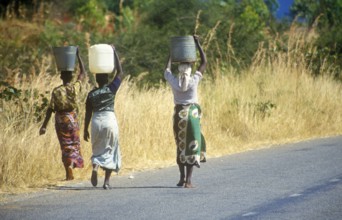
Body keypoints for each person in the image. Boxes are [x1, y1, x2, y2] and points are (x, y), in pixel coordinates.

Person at [164, 35, 207, 188]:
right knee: (192, 146)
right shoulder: (194, 81)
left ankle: (181, 178)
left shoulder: (174, 81)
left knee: (180, 146)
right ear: (189, 70)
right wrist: (198, 44)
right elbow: (204, 63)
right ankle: (189, 181)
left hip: (179, 115)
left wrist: (172, 52)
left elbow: (166, 69)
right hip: (192, 115)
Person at [39, 47, 86, 180]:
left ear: (60, 76)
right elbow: (83, 73)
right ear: (71, 76)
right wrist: (78, 55)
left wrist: (44, 126)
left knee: (65, 145)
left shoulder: (56, 91)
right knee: (74, 143)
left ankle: (68, 171)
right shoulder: (74, 88)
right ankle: (73, 164)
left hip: (61, 120)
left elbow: (50, 109)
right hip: (72, 118)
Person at [83, 46, 124, 190]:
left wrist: (85, 130)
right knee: (111, 149)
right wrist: (114, 52)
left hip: (96, 121)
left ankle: (95, 166)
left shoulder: (91, 94)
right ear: (107, 79)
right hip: (109, 120)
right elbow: (120, 72)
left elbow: (88, 112)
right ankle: (106, 182)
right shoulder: (111, 89)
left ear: (96, 79)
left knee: (97, 149)